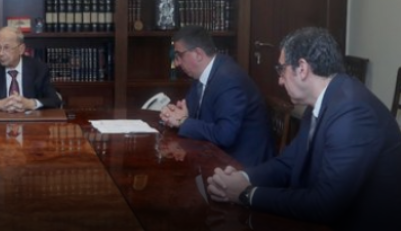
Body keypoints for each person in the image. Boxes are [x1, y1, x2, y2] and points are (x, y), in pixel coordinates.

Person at [207, 27, 401, 230]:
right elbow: (289, 162)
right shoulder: (322, 100)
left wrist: (246, 194)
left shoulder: (352, 112)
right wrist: (243, 178)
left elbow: (325, 205)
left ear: (302, 68)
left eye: (281, 69)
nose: (280, 80)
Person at [159, 25, 274, 166]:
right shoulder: (202, 75)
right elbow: (191, 113)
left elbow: (225, 135)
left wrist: (183, 121)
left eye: (179, 56)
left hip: (241, 163)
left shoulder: (228, 80)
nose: (176, 63)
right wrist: (175, 114)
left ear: (198, 54)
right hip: (216, 153)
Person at [0, 26, 61, 112]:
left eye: (6, 48)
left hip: (31, 121)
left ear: (21, 49)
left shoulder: (39, 69)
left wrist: (30, 103)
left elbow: (55, 100)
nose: (1, 53)